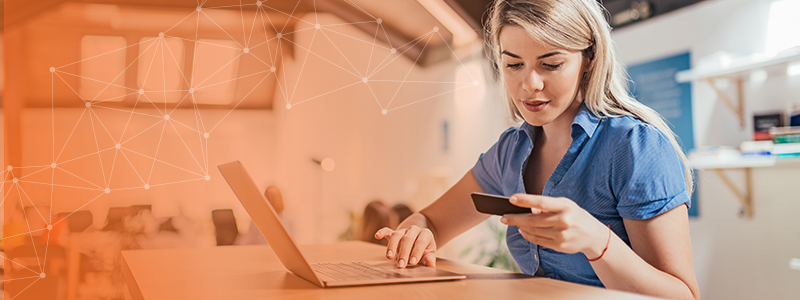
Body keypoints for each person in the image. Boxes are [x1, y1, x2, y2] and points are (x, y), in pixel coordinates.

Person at [374, 0, 700, 299]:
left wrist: (596, 242)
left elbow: (683, 295)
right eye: (514, 65)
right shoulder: (510, 152)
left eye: (551, 64)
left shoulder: (634, 147)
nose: (530, 84)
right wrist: (416, 231)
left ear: (590, 59)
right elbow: (430, 220)